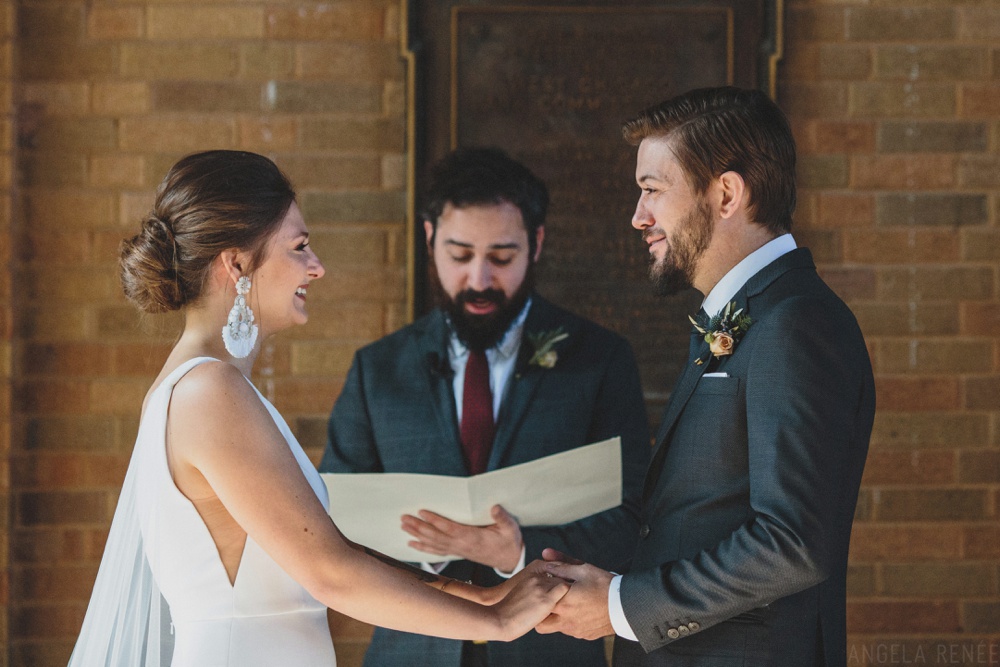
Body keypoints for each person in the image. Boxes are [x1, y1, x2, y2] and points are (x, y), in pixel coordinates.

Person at [68, 150, 569, 667]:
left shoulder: (202, 385)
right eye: (300, 246)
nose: (317, 266)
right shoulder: (209, 390)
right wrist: (497, 623)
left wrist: (483, 596)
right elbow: (329, 572)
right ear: (236, 263)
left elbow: (332, 551)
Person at [536, 87, 876, 667]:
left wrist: (620, 606)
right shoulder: (740, 318)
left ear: (725, 194)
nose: (638, 216)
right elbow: (689, 519)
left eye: (652, 191)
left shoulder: (795, 324)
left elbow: (791, 544)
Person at [321, 147, 651, 667]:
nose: (478, 280)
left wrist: (518, 551)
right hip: (409, 653)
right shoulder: (376, 370)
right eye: (459, 255)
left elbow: (636, 521)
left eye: (500, 257)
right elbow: (333, 528)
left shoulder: (600, 360)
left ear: (535, 244)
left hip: (549, 654)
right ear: (430, 240)